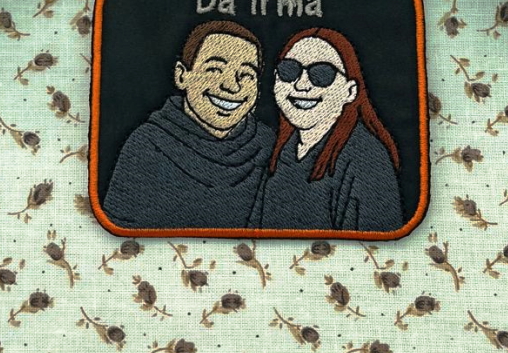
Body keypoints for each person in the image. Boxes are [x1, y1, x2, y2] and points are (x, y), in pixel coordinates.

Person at [103, 20, 274, 229]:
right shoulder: (148, 145)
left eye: (247, 74)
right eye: (214, 69)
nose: (231, 86)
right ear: (182, 76)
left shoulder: (268, 146)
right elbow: (124, 234)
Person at [253, 27, 404, 232]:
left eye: (322, 74)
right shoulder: (282, 152)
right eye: (289, 71)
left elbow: (375, 243)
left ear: (350, 91)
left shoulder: (366, 157)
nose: (302, 85)